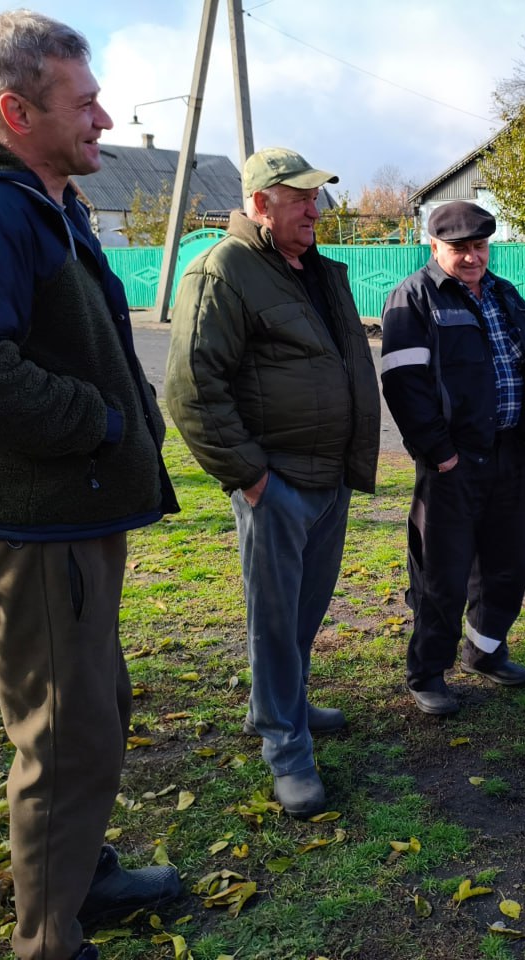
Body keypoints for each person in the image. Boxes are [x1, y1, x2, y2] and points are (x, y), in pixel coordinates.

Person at [0, 11, 182, 960]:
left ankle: (81, 878)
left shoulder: (45, 199)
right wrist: (101, 423)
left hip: (71, 516)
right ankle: (50, 942)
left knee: (90, 716)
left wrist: (127, 413)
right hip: (39, 529)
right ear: (17, 109)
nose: (103, 118)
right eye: (85, 101)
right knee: (63, 744)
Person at [165, 147, 380, 818]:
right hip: (277, 484)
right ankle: (285, 746)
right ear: (260, 203)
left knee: (305, 612)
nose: (316, 210)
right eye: (300, 199)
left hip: (328, 478)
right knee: (274, 621)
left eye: (316, 197)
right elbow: (192, 390)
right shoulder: (223, 272)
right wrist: (253, 480)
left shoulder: (313, 270)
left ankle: (288, 703)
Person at [380, 201, 525, 715]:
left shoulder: (504, 293)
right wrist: (439, 452)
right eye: (460, 249)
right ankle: (427, 672)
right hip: (452, 462)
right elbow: (402, 383)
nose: (473, 257)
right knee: (441, 576)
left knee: (506, 567)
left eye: (479, 246)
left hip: (512, 453)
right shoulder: (415, 298)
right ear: (434, 247)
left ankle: (486, 650)